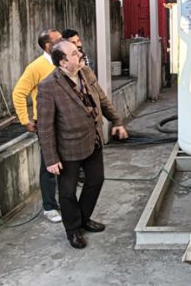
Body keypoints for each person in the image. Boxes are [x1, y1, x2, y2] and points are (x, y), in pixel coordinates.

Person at [37, 39, 129, 249]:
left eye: (78, 50)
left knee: (96, 181)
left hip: (93, 140)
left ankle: (83, 219)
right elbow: (45, 127)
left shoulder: (85, 72)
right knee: (67, 192)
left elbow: (102, 100)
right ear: (62, 62)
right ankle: (73, 230)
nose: (80, 54)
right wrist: (51, 159)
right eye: (74, 52)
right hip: (68, 148)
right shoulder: (49, 86)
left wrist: (117, 121)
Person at [11, 29, 63, 223]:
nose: (63, 42)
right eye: (58, 40)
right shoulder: (36, 67)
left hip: (66, 121)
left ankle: (65, 201)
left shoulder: (64, 63)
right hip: (47, 123)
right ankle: (49, 207)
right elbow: (18, 92)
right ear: (48, 46)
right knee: (49, 165)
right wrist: (25, 120)